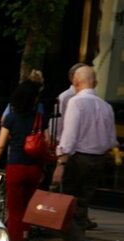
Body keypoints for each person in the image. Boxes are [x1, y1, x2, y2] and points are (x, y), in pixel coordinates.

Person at [52, 65, 117, 241]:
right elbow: (110, 140)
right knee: (80, 209)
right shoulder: (106, 106)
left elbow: (69, 136)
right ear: (95, 82)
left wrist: (61, 162)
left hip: (77, 159)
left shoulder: (76, 103)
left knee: (58, 208)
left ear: (76, 83)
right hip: (98, 161)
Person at [0, 80, 49, 241]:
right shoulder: (40, 118)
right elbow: (47, 142)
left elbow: (0, 145)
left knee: (14, 208)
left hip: (15, 166)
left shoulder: (10, 118)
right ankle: (25, 240)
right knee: (28, 207)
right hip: (34, 168)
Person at [53, 62, 98, 230]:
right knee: (71, 189)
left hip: (79, 147)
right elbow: (62, 124)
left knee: (80, 190)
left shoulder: (90, 98)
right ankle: (67, 221)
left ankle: (79, 219)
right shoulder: (67, 97)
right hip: (71, 146)